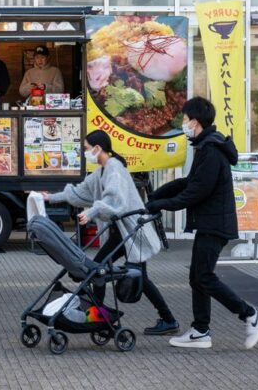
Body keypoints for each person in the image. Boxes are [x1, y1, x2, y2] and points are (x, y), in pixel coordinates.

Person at [145, 96, 258, 350]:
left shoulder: (211, 150)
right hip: (210, 222)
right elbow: (189, 182)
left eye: (185, 119)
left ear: (196, 122)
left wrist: (159, 205)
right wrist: (156, 195)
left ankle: (249, 314)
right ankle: (200, 331)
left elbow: (195, 193)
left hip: (216, 224)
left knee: (203, 276)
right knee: (197, 276)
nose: (183, 123)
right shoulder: (205, 146)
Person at [41, 130, 178, 336]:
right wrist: (50, 198)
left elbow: (115, 200)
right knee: (102, 270)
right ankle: (104, 317)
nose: (85, 152)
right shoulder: (101, 171)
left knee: (106, 271)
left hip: (131, 231)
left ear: (98, 149)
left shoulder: (115, 169)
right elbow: (79, 192)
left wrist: (93, 210)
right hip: (120, 233)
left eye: (87, 149)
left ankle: (108, 318)